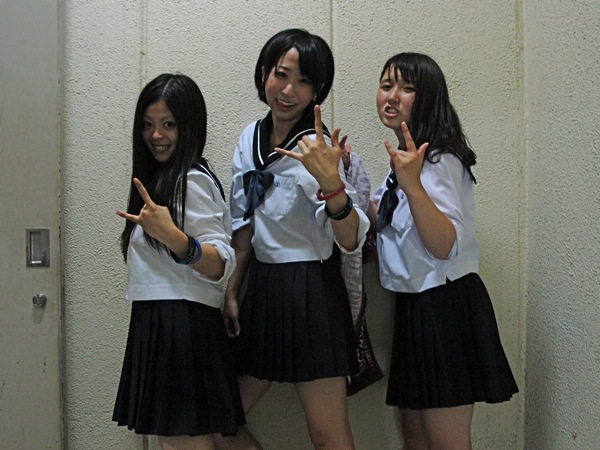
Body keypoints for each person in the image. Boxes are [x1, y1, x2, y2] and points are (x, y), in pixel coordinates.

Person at [215, 29, 369, 450]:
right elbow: (244, 227)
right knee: (220, 421)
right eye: (281, 75)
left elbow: (350, 240)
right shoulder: (249, 138)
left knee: (327, 434)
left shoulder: (318, 148)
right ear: (264, 73)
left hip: (313, 291)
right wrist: (233, 290)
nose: (288, 91)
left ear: (317, 91)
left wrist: (332, 183)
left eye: (304, 82)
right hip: (264, 288)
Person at [373, 53, 518, 449]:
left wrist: (412, 184)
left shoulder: (438, 158)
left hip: (445, 305)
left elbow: (443, 243)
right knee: (416, 438)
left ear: (428, 98)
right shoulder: (405, 162)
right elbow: (385, 220)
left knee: (445, 442)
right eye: (386, 85)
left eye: (406, 88)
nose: (392, 96)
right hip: (417, 305)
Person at [112, 73, 245, 449]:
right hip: (165, 322)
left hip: (180, 326)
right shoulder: (164, 179)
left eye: (168, 124)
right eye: (148, 124)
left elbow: (220, 262)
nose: (156, 135)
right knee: (179, 442)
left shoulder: (190, 180)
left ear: (189, 127)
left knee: (181, 443)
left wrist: (174, 238)